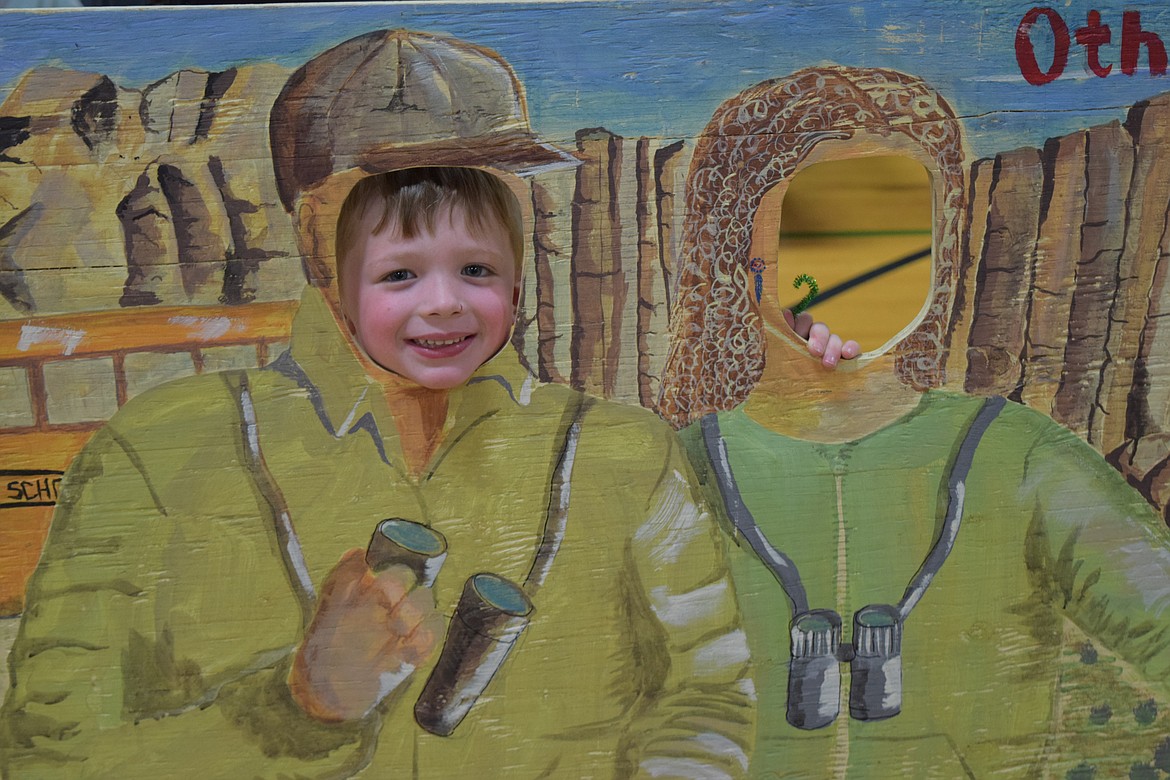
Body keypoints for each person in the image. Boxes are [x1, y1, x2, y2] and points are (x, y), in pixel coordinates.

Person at [0, 166, 756, 778]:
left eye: (476, 268)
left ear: (519, 278)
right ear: (321, 252)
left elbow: (708, 695)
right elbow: (50, 755)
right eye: (400, 273)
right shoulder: (159, 449)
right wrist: (299, 703)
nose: (444, 304)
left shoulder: (625, 451)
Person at [658, 120, 1170, 778]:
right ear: (753, 268)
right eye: (823, 231)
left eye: (887, 237)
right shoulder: (677, 471)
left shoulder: (1016, 456)